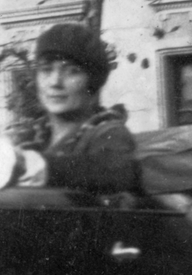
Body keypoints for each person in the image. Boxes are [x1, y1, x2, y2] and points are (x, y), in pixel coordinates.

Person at [17, 21, 140, 194]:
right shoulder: (30, 138)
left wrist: (42, 166)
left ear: (93, 82)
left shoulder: (110, 133)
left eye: (72, 71)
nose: (55, 82)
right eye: (46, 70)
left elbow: (116, 172)